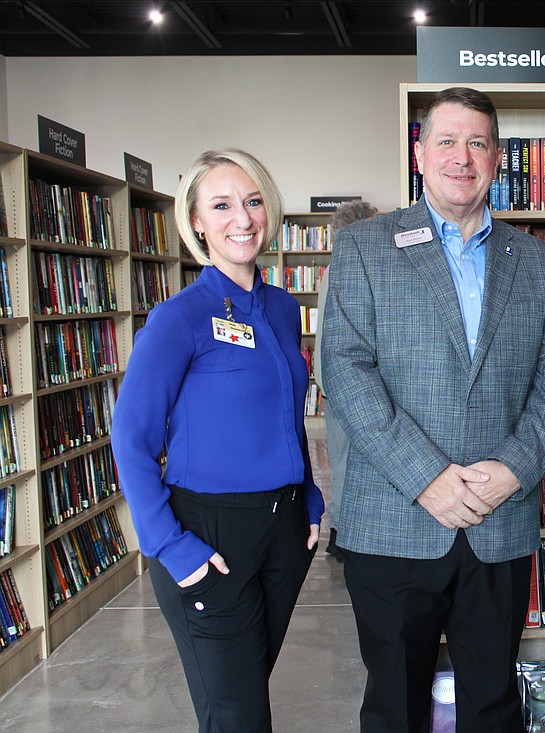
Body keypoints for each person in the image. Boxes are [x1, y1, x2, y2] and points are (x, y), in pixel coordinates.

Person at [320, 87, 545, 733]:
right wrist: (428, 478)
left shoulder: (539, 262)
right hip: (395, 519)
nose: (462, 157)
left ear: (496, 156)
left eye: (478, 143)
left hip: (499, 522)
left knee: (493, 703)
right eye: (447, 140)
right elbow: (345, 371)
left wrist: (515, 470)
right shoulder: (365, 247)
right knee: (394, 706)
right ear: (420, 152)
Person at [112, 148, 324, 733]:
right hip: (207, 535)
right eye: (223, 205)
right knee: (238, 715)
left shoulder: (282, 308)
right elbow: (130, 438)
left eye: (253, 201)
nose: (243, 218)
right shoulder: (178, 318)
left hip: (283, 532)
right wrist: (169, 547)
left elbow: (285, 410)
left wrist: (309, 495)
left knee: (242, 699)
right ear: (197, 223)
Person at [313, 199, 380, 561]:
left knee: (341, 459)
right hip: (350, 383)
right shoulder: (355, 268)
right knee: (356, 461)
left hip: (331, 382)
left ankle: (339, 531)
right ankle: (344, 533)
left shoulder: (331, 270)